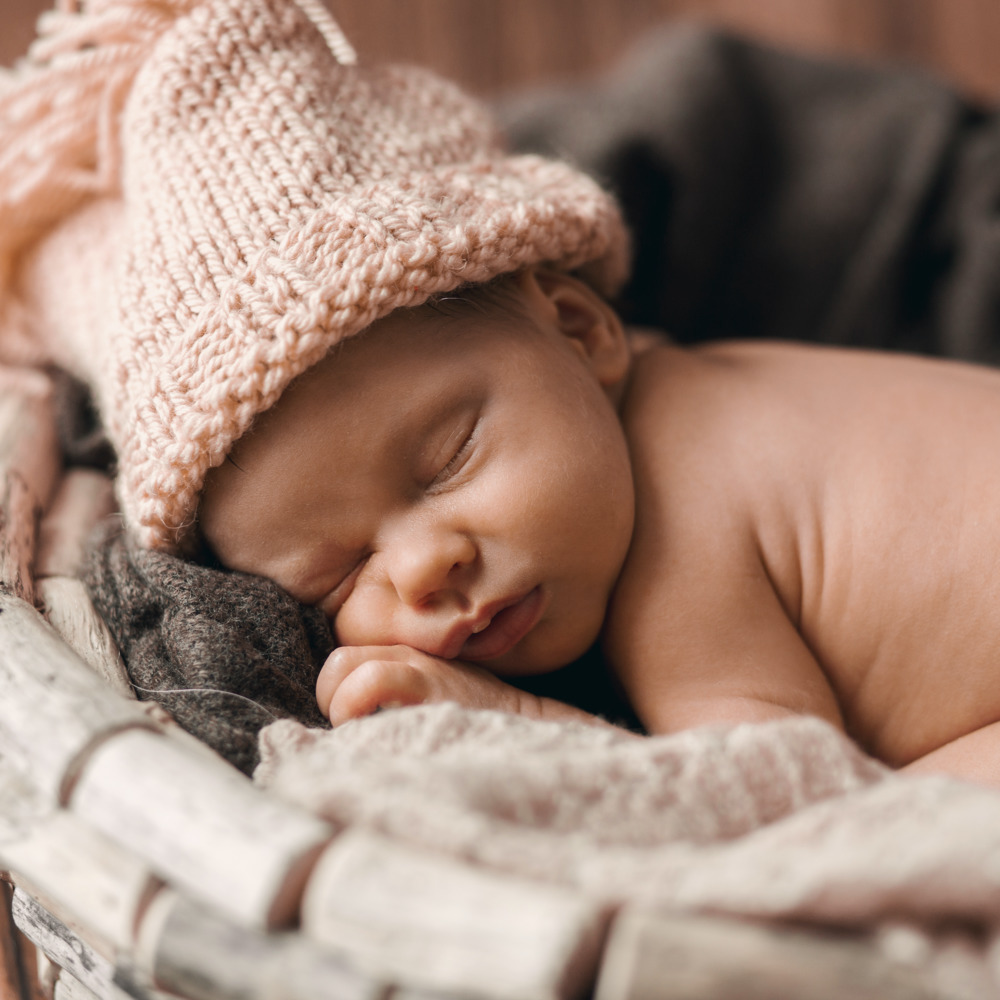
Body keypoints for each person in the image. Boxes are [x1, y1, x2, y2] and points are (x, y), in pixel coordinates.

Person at [5, 0, 1000, 786]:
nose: (425, 568)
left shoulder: (680, 527)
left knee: (914, 816)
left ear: (580, 327)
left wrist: (516, 724)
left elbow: (774, 794)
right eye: (337, 579)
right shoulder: (658, 415)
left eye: (447, 460)